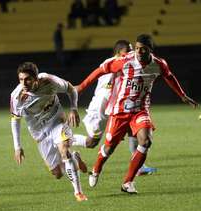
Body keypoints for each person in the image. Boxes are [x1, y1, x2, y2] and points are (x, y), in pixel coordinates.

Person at [76, 34, 198, 194]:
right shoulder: (125, 61)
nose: (139, 51)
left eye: (143, 49)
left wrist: (182, 95)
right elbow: (100, 70)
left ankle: (128, 182)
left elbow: (169, 76)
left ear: (150, 51)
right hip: (120, 111)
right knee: (108, 148)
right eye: (137, 48)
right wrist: (81, 86)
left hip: (140, 110)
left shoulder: (159, 64)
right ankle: (97, 169)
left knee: (146, 141)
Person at [73, 40, 157, 176]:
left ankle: (139, 167)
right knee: (92, 142)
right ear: (118, 53)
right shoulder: (112, 63)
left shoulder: (131, 62)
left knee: (134, 132)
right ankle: (64, 139)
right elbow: (104, 90)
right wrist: (82, 87)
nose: (132, 53)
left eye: (132, 50)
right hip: (101, 109)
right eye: (128, 51)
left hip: (119, 108)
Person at [10, 62, 88, 202]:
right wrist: (17, 147)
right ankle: (75, 157)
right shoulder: (17, 97)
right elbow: (15, 120)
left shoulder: (49, 81)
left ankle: (78, 192)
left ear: (36, 78)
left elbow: (71, 89)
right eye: (21, 79)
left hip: (57, 122)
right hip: (39, 133)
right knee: (57, 173)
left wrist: (74, 109)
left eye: (27, 79)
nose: (24, 83)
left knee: (64, 150)